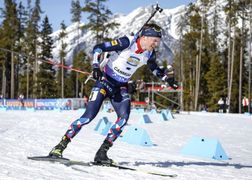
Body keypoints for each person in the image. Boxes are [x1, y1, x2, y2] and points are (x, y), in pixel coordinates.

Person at [48, 23, 178, 164]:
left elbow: (154, 68)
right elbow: (98, 48)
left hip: (120, 87)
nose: (156, 44)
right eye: (155, 40)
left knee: (123, 118)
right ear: (145, 37)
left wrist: (167, 79)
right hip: (105, 82)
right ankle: (59, 147)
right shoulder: (127, 42)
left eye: (158, 41)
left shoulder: (149, 53)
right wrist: (96, 66)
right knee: (88, 117)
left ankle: (102, 154)